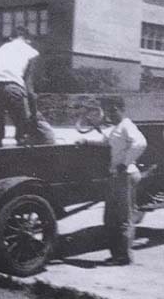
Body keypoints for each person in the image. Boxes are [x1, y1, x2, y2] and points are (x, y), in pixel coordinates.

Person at [77, 96, 147, 265]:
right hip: (117, 177)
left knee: (123, 218)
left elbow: (140, 143)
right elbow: (105, 142)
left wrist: (125, 163)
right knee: (111, 218)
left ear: (116, 109)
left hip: (125, 176)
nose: (107, 114)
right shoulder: (118, 128)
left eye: (109, 110)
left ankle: (123, 257)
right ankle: (117, 254)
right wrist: (86, 141)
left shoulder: (127, 126)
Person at [0, 24, 52, 148]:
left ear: (11, 38)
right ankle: (22, 158)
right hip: (13, 87)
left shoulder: (1, 49)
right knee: (23, 130)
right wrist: (32, 111)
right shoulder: (30, 51)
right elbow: (28, 85)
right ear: (27, 39)